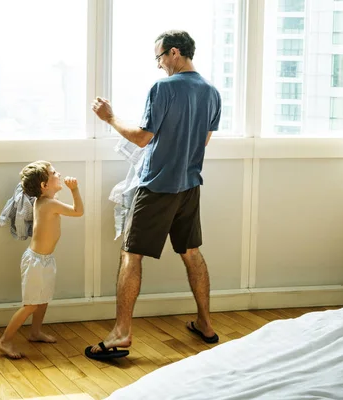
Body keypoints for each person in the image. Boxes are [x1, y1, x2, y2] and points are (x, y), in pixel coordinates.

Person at [86, 30, 222, 360]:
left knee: (131, 255)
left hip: (158, 186)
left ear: (174, 52)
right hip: (189, 185)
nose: (159, 64)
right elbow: (203, 142)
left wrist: (110, 118)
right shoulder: (212, 92)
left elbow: (143, 137)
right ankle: (205, 324)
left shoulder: (163, 88)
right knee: (191, 252)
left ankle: (120, 335)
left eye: (159, 57)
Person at [0, 160, 84, 359]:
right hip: (36, 262)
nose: (59, 174)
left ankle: (35, 332)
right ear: (44, 186)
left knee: (42, 300)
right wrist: (75, 189)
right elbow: (78, 211)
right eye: (54, 173)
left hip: (45, 260)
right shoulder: (48, 203)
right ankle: (5, 340)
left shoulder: (45, 201)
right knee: (31, 305)